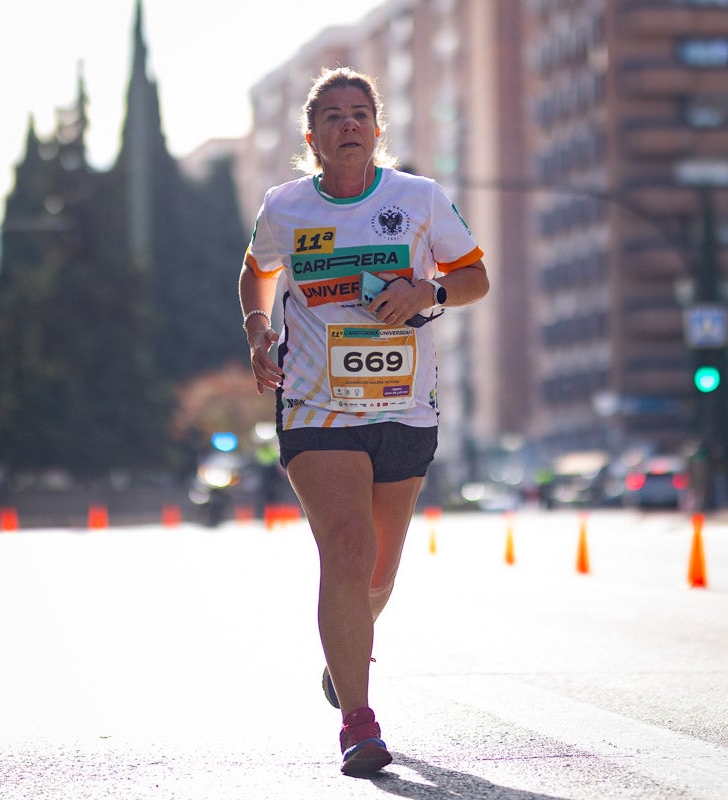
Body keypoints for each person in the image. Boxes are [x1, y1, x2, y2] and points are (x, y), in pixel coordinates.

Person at [238, 66, 489, 777]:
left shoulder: (418, 198)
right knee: (346, 550)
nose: (348, 124)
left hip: (404, 408)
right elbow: (256, 268)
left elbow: (475, 278)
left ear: (378, 130)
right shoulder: (285, 205)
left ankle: (344, 653)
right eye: (332, 115)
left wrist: (425, 290)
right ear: (312, 137)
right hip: (316, 408)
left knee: (377, 574)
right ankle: (359, 721)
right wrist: (259, 327)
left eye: (360, 113)